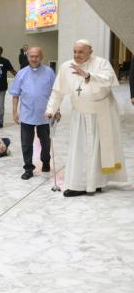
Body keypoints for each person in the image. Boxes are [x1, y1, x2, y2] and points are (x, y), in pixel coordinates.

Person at [45, 39, 127, 196]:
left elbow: (108, 80)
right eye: (75, 51)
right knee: (80, 149)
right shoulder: (66, 67)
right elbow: (58, 91)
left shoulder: (101, 63)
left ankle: (97, 183)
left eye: (81, 52)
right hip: (80, 115)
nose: (77, 55)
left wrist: (88, 76)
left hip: (101, 114)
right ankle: (78, 185)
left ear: (90, 51)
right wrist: (51, 109)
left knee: (99, 150)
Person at [9, 46, 55, 180]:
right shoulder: (21, 73)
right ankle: (28, 168)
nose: (34, 59)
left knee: (45, 142)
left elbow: (55, 93)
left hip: (45, 115)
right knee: (26, 143)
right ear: (27, 57)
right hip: (27, 115)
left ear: (41, 57)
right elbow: (15, 94)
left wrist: (56, 110)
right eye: (31, 56)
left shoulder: (49, 72)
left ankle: (45, 160)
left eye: (37, 56)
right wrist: (14, 112)